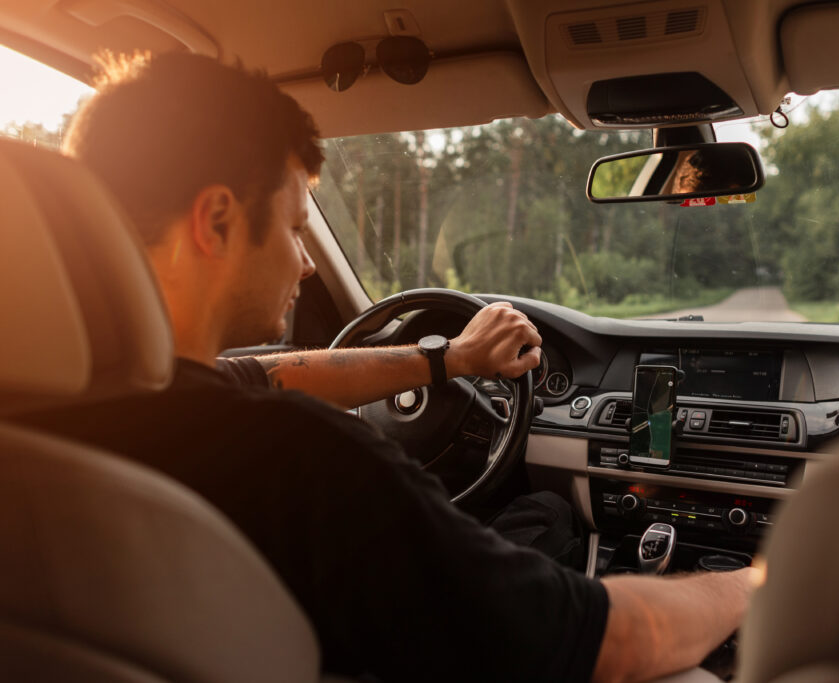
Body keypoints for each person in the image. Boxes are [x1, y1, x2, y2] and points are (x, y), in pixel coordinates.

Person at [18, 52, 755, 682]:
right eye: (295, 224)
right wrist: (759, 583)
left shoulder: (53, 419)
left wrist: (452, 359)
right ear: (216, 221)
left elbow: (275, 374)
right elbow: (607, 641)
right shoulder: (294, 461)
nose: (306, 262)